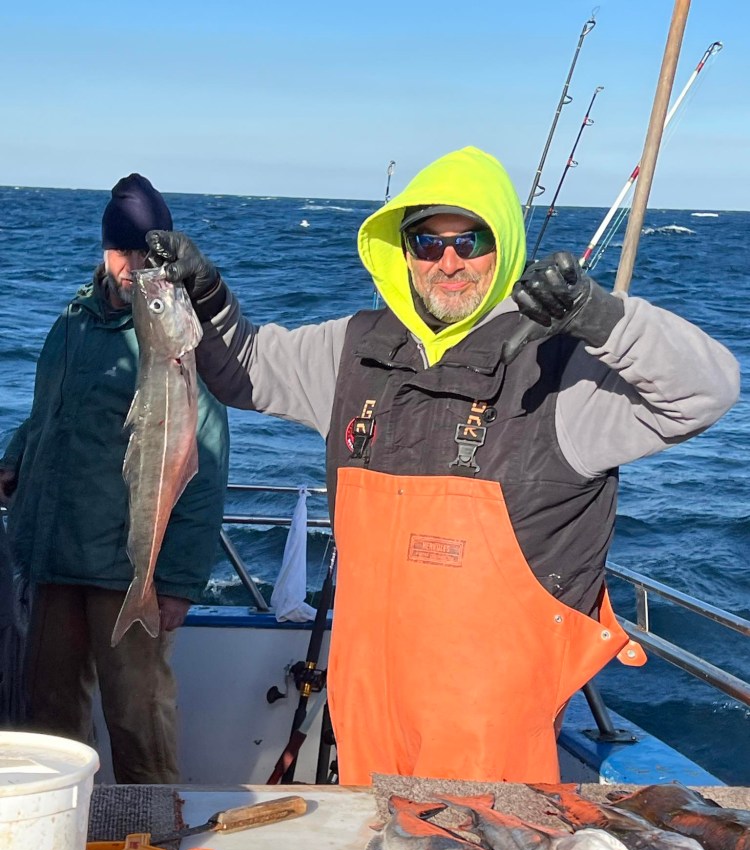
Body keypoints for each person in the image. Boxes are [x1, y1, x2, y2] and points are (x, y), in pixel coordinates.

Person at [145, 146, 739, 786]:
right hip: (365, 704)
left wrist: (598, 316)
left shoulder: (566, 367)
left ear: (504, 246)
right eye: (426, 242)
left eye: (470, 240)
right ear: (403, 253)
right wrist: (205, 295)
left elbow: (704, 391)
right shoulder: (353, 349)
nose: (447, 261)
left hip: (491, 726)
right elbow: (250, 370)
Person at [0, 173, 229, 783]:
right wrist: (15, 456)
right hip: (51, 558)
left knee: (137, 717)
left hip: (126, 570)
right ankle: (67, 841)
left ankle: (157, 841)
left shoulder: (173, 339)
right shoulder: (72, 321)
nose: (130, 264)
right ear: (104, 249)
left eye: (142, 251)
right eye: (120, 248)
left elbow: (202, 467)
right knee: (49, 725)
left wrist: (176, 580)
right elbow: (46, 412)